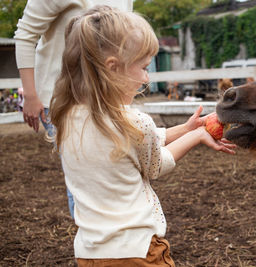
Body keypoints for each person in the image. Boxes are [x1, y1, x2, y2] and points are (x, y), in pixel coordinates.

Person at [49, 6, 236, 265]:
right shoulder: (135, 121)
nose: (147, 77)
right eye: (144, 67)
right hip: (138, 253)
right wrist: (198, 136)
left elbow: (141, 140)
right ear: (112, 68)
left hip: (90, 253)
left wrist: (186, 128)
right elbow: (156, 164)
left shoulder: (66, 119)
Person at [14, 0, 134, 218]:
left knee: (112, 173)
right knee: (84, 179)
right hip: (62, 97)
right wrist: (31, 95)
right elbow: (25, 35)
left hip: (107, 96)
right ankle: (91, 247)